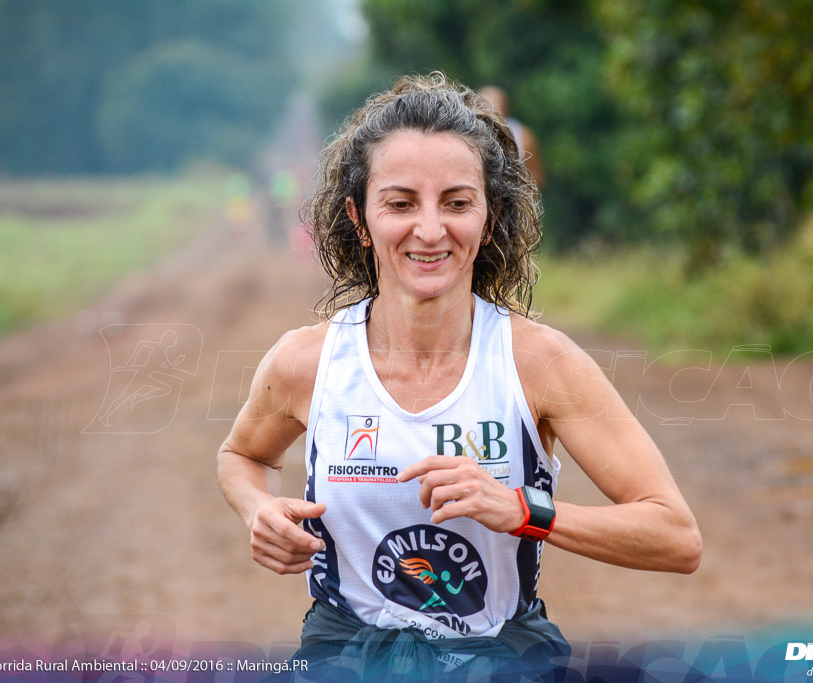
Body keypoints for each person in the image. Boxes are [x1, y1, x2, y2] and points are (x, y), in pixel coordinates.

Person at [217, 72, 701, 680]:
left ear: (490, 217)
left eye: (456, 202)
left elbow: (675, 535)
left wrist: (525, 510)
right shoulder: (305, 363)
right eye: (399, 203)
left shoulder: (540, 363)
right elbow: (240, 455)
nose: (429, 229)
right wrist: (255, 509)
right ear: (359, 219)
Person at [478, 86, 545, 187]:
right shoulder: (465, 134)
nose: (489, 115)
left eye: (493, 110)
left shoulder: (522, 137)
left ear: (505, 112)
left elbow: (537, 177)